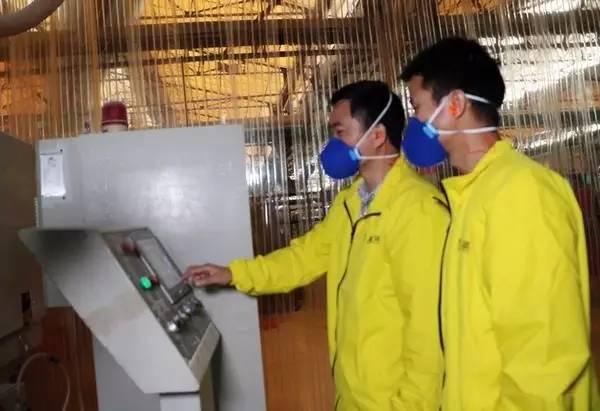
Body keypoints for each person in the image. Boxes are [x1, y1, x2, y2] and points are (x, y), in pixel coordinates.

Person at [184, 80, 449, 410]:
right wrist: (233, 273)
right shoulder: (351, 203)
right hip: (354, 396)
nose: (332, 145)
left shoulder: (418, 210)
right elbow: (302, 259)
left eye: (340, 132)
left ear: (377, 136)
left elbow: (430, 331)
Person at [400, 37, 599, 410]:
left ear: (455, 104)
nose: (414, 123)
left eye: (417, 107)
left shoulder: (521, 193)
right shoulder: (471, 195)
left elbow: (541, 360)